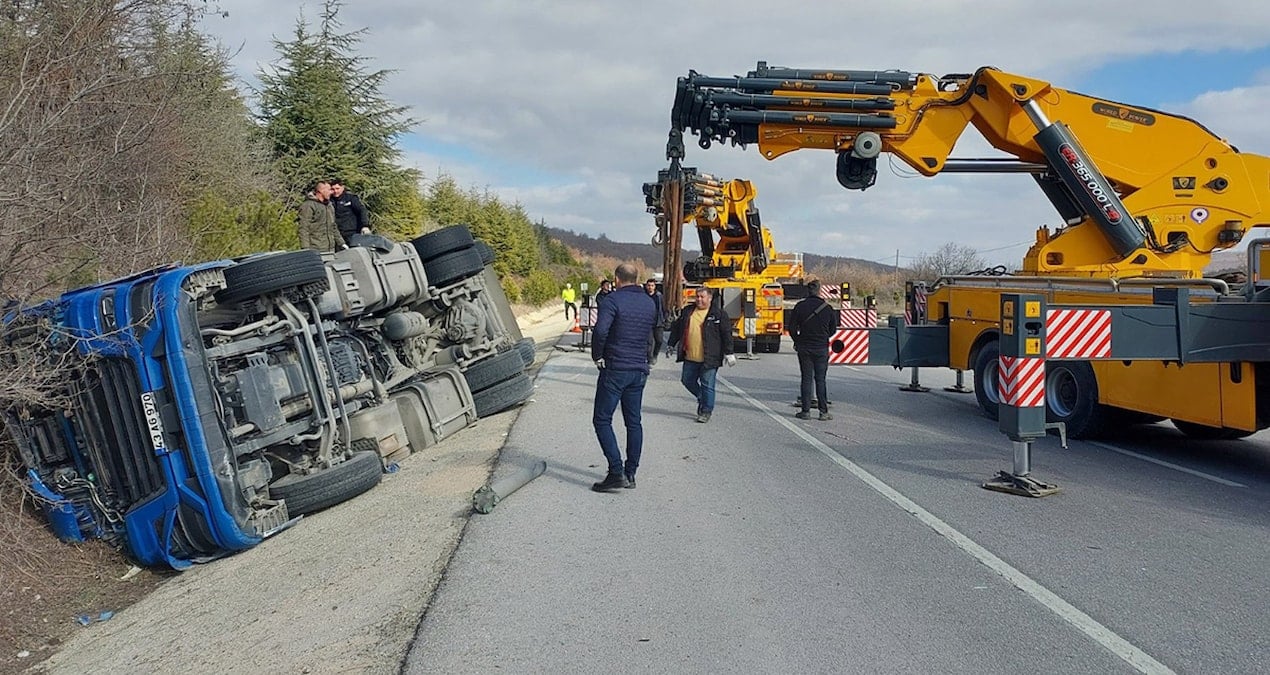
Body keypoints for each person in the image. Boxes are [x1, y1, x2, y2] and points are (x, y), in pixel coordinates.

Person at [590, 264, 658, 492]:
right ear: (636, 278)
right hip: (639, 368)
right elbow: (651, 335)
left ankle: (616, 471)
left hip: (616, 367)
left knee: (602, 419)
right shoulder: (649, 302)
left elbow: (601, 330)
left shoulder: (612, 300)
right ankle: (631, 473)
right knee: (633, 421)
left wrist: (598, 355)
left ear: (617, 279)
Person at [668, 287, 735, 423]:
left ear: (710, 298)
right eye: (697, 296)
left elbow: (726, 335)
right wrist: (671, 344)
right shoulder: (688, 311)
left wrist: (729, 352)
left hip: (710, 358)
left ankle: (706, 411)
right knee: (687, 380)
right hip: (690, 357)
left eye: (702, 297)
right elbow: (677, 328)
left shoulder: (719, 315)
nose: (699, 299)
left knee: (707, 385)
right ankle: (702, 397)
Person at [788, 280, 838, 421]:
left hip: (804, 348)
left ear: (808, 291)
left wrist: (798, 340)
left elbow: (792, 328)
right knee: (820, 380)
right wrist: (823, 337)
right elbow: (833, 329)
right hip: (821, 348)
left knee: (806, 379)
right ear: (819, 291)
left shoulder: (800, 307)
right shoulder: (827, 308)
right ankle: (823, 412)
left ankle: (805, 412)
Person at [297, 180, 343, 252]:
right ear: (321, 191)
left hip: (330, 249)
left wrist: (341, 243)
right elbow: (304, 228)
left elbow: (333, 226)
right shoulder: (308, 206)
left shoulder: (329, 206)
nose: (331, 192)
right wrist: (305, 248)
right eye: (329, 190)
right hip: (315, 249)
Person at [644, 278, 665, 364]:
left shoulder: (659, 296)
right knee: (649, 342)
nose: (650, 287)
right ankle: (649, 359)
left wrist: (665, 319)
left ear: (655, 286)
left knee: (659, 341)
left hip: (658, 322)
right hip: (647, 322)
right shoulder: (644, 296)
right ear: (646, 286)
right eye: (649, 285)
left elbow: (663, 308)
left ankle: (655, 355)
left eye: (652, 285)